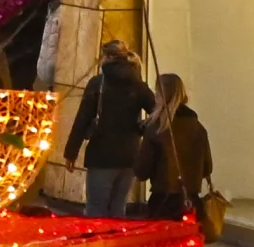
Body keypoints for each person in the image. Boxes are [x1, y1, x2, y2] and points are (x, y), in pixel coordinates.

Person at [62, 42, 149, 217]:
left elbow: (82, 119)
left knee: (96, 209)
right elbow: (157, 113)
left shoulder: (98, 83)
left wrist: (71, 152)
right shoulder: (138, 84)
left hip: (102, 154)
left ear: (108, 57)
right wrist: (141, 128)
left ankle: (97, 243)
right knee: (118, 208)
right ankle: (117, 243)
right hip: (130, 154)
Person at [143, 71, 214, 226]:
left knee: (160, 246)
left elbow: (142, 170)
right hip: (190, 200)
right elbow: (207, 168)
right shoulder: (198, 127)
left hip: (162, 201)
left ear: (161, 95)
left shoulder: (156, 128)